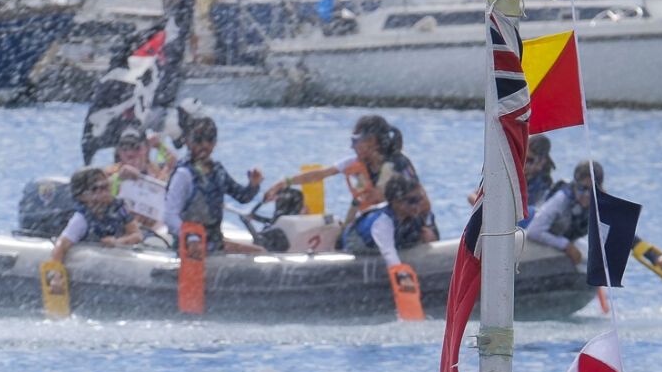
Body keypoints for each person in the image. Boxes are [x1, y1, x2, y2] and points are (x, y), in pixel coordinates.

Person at [265, 113, 435, 270]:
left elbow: (423, 203)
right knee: (344, 235)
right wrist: (284, 182)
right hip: (374, 227)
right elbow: (320, 174)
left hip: (407, 225)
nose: (351, 146)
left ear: (372, 141)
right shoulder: (357, 163)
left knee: (424, 234)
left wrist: (423, 227)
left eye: (355, 140)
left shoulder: (398, 165)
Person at [163, 117, 263, 254]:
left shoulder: (218, 172)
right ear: (188, 142)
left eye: (209, 139)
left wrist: (253, 185)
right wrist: (190, 237)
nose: (204, 145)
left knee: (259, 252)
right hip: (188, 247)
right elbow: (170, 215)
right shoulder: (183, 174)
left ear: (215, 142)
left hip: (214, 242)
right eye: (198, 140)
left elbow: (242, 197)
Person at [50, 166, 144, 263]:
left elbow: (137, 235)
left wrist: (118, 242)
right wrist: (57, 273)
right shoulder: (81, 219)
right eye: (96, 189)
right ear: (82, 197)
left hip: (118, 258)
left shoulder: (118, 208)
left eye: (106, 186)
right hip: (91, 262)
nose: (105, 192)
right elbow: (61, 245)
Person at [526, 159, 607, 268]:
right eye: (583, 188)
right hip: (530, 223)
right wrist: (566, 246)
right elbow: (533, 232)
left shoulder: (601, 200)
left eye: (592, 190)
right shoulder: (561, 199)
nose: (587, 195)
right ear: (575, 185)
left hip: (561, 234)